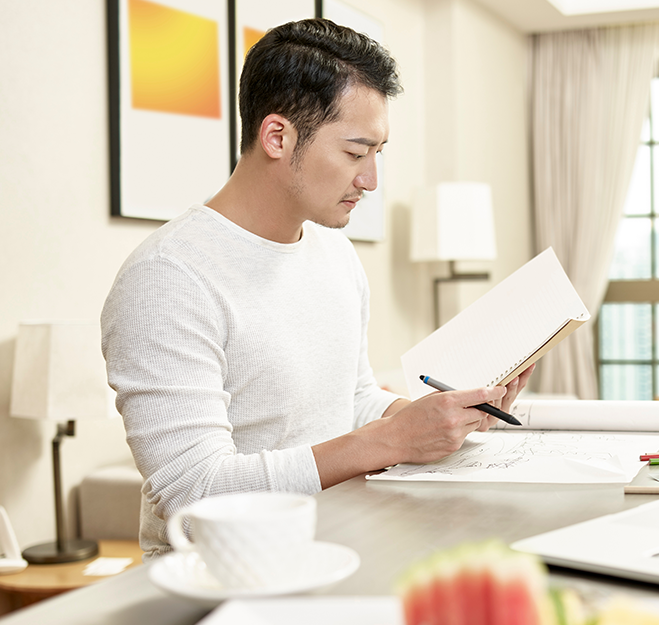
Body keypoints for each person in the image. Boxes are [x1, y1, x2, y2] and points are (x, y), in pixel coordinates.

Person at [101, 18, 532, 559]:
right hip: (225, 579)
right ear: (277, 136)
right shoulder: (168, 278)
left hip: (339, 543)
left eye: (378, 153)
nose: (371, 180)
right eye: (355, 153)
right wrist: (391, 441)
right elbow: (195, 493)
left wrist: (440, 416)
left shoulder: (333, 254)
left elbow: (349, 400)